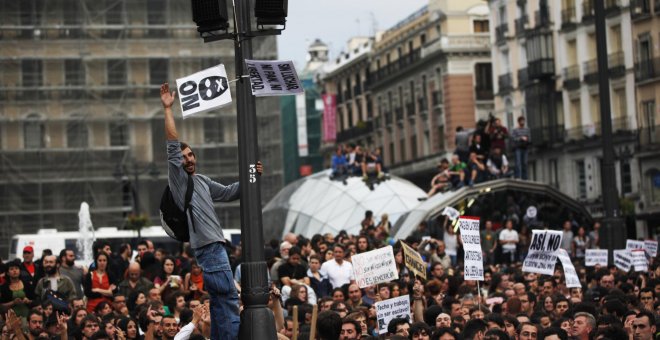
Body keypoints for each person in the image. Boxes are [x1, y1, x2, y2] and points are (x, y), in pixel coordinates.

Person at [161, 83, 262, 340]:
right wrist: (168, 109)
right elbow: (172, 145)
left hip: (215, 248)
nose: (189, 160)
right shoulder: (179, 179)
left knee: (219, 304)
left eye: (191, 155)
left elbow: (229, 193)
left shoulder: (202, 180)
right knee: (228, 299)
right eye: (184, 157)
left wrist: (253, 175)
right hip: (209, 249)